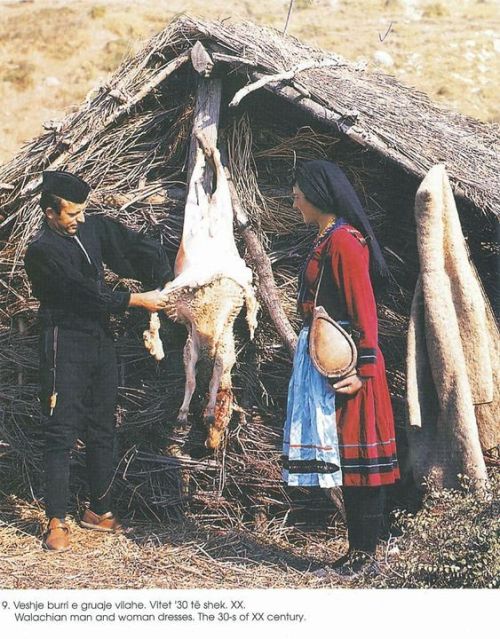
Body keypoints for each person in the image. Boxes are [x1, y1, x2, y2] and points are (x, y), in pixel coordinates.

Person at [24, 170, 173, 552]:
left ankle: (99, 510)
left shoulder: (91, 228)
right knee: (60, 429)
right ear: (50, 213)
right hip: (65, 341)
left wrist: (166, 278)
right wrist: (137, 301)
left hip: (99, 340)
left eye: (83, 211)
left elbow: (131, 249)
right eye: (72, 213)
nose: (81, 219)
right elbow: (84, 292)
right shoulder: (41, 252)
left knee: (102, 426)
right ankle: (56, 519)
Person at [283, 160, 399, 577]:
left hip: (352, 367)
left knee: (360, 462)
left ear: (317, 194)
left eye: (297, 193)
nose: (294, 200)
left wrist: (362, 371)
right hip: (334, 365)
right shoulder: (327, 239)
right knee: (349, 462)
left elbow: (364, 311)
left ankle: (365, 556)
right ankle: (357, 552)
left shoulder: (345, 243)